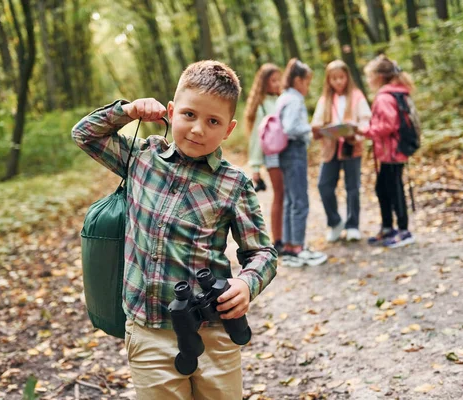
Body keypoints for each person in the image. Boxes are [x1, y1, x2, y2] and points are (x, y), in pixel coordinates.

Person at [71, 60, 277, 400]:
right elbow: (84, 134)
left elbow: (262, 253)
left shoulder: (233, 183)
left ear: (228, 129)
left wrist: (246, 283)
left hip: (213, 332)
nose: (198, 129)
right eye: (189, 115)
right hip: (149, 331)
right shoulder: (141, 158)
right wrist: (128, 111)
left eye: (213, 121)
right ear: (170, 111)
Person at [312, 60, 372, 243]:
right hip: (331, 148)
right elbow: (316, 122)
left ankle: (353, 225)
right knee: (324, 185)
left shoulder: (356, 96)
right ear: (328, 81)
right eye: (334, 79)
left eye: (341, 78)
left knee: (352, 187)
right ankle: (335, 222)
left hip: (351, 146)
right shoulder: (325, 100)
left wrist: (356, 130)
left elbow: (366, 120)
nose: (338, 82)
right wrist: (319, 129)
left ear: (347, 77)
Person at [276, 58, 328, 268]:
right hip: (294, 151)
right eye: (307, 82)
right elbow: (290, 128)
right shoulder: (295, 99)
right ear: (298, 80)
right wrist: (311, 129)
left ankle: (290, 246)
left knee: (290, 199)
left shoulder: (283, 97)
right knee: (300, 201)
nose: (307, 86)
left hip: (284, 153)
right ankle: (297, 248)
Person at [361, 54, 416, 248]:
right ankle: (387, 227)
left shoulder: (384, 96)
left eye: (369, 76)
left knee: (394, 190)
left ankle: (404, 230)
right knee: (382, 188)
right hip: (390, 152)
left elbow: (388, 125)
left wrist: (364, 131)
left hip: (391, 152)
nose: (368, 81)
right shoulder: (395, 92)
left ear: (379, 77)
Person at [243, 63, 284, 252]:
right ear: (264, 83)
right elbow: (256, 139)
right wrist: (255, 167)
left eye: (279, 79)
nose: (277, 84)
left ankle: (289, 236)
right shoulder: (261, 106)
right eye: (273, 80)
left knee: (290, 197)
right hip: (273, 156)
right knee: (280, 195)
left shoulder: (282, 100)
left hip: (288, 155)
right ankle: (278, 239)